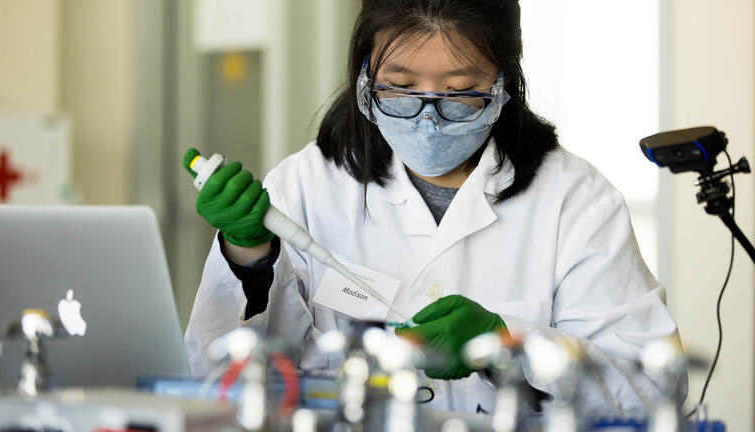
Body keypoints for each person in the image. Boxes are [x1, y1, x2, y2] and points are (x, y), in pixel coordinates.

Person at [183, 0, 684, 414]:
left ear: (504, 85)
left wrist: (507, 342)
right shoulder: (305, 185)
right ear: (363, 78)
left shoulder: (575, 200)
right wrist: (248, 256)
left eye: (461, 94)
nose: (428, 117)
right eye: (399, 88)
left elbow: (653, 389)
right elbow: (217, 379)